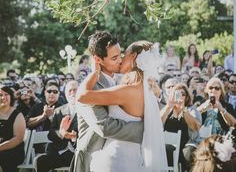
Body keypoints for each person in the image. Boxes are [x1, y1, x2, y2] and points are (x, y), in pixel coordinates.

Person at [77, 38, 168, 172]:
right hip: (134, 159)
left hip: (116, 158)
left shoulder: (127, 91)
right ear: (99, 59)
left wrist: (95, 71)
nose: (120, 59)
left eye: (123, 54)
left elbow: (81, 96)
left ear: (134, 57)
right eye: (116, 57)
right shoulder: (147, 91)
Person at [34, 80, 79, 172]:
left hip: (78, 152)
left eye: (75, 90)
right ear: (65, 94)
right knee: (39, 161)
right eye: (70, 90)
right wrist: (61, 133)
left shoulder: (87, 109)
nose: (72, 93)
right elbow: (50, 134)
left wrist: (75, 138)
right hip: (59, 151)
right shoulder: (59, 111)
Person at [160, 83, 201, 171]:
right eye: (177, 93)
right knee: (164, 150)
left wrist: (183, 110)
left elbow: (196, 126)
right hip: (169, 145)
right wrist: (168, 106)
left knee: (188, 153)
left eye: (183, 94)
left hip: (186, 145)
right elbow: (157, 123)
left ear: (186, 97)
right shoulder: (168, 109)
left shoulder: (191, 110)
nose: (180, 96)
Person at [0, 85, 26, 172]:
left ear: (11, 97)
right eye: (0, 95)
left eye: (6, 94)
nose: (3, 97)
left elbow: (18, 139)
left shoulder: (17, 115)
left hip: (13, 150)